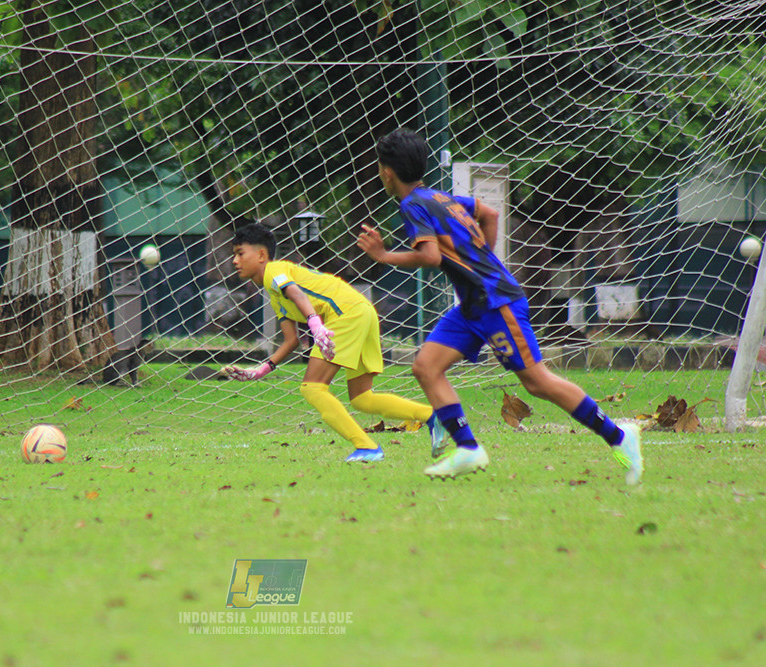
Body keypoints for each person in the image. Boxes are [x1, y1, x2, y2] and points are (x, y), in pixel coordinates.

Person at [356, 128, 643, 484]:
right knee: (426, 367)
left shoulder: (412, 205)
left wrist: (384, 255)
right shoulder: (440, 197)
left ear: (387, 172)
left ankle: (619, 435)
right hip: (473, 305)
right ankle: (468, 448)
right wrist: (483, 260)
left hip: (496, 303)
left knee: (537, 382)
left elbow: (430, 257)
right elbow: (489, 213)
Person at [224, 223, 442, 462]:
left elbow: (297, 293)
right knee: (362, 398)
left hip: (345, 313)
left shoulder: (274, 270)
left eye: (240, 253)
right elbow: (291, 340)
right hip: (362, 311)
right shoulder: (273, 292)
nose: (235, 260)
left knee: (312, 388)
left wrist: (315, 324)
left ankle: (367, 447)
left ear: (261, 255)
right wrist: (262, 369)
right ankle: (432, 415)